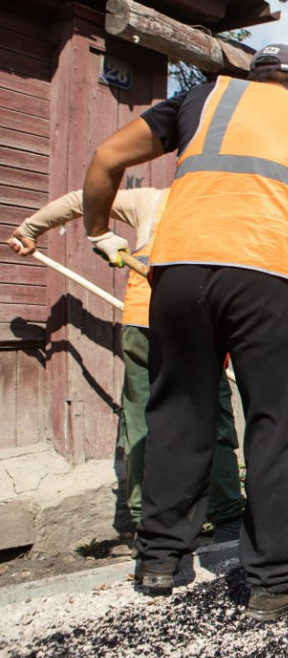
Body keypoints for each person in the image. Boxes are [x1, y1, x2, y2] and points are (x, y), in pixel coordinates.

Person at [82, 44, 288, 620]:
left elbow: (106, 157)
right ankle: (273, 581)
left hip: (179, 269)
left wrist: (99, 230)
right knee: (275, 425)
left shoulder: (202, 100)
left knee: (178, 410)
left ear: (251, 78)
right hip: (273, 273)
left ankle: (159, 560)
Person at [6, 191, 245, 542]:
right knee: (208, 416)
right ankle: (226, 521)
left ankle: (148, 525)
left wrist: (30, 229)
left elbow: (83, 198)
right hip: (200, 322)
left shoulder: (152, 199)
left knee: (144, 418)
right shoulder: (232, 202)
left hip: (149, 318)